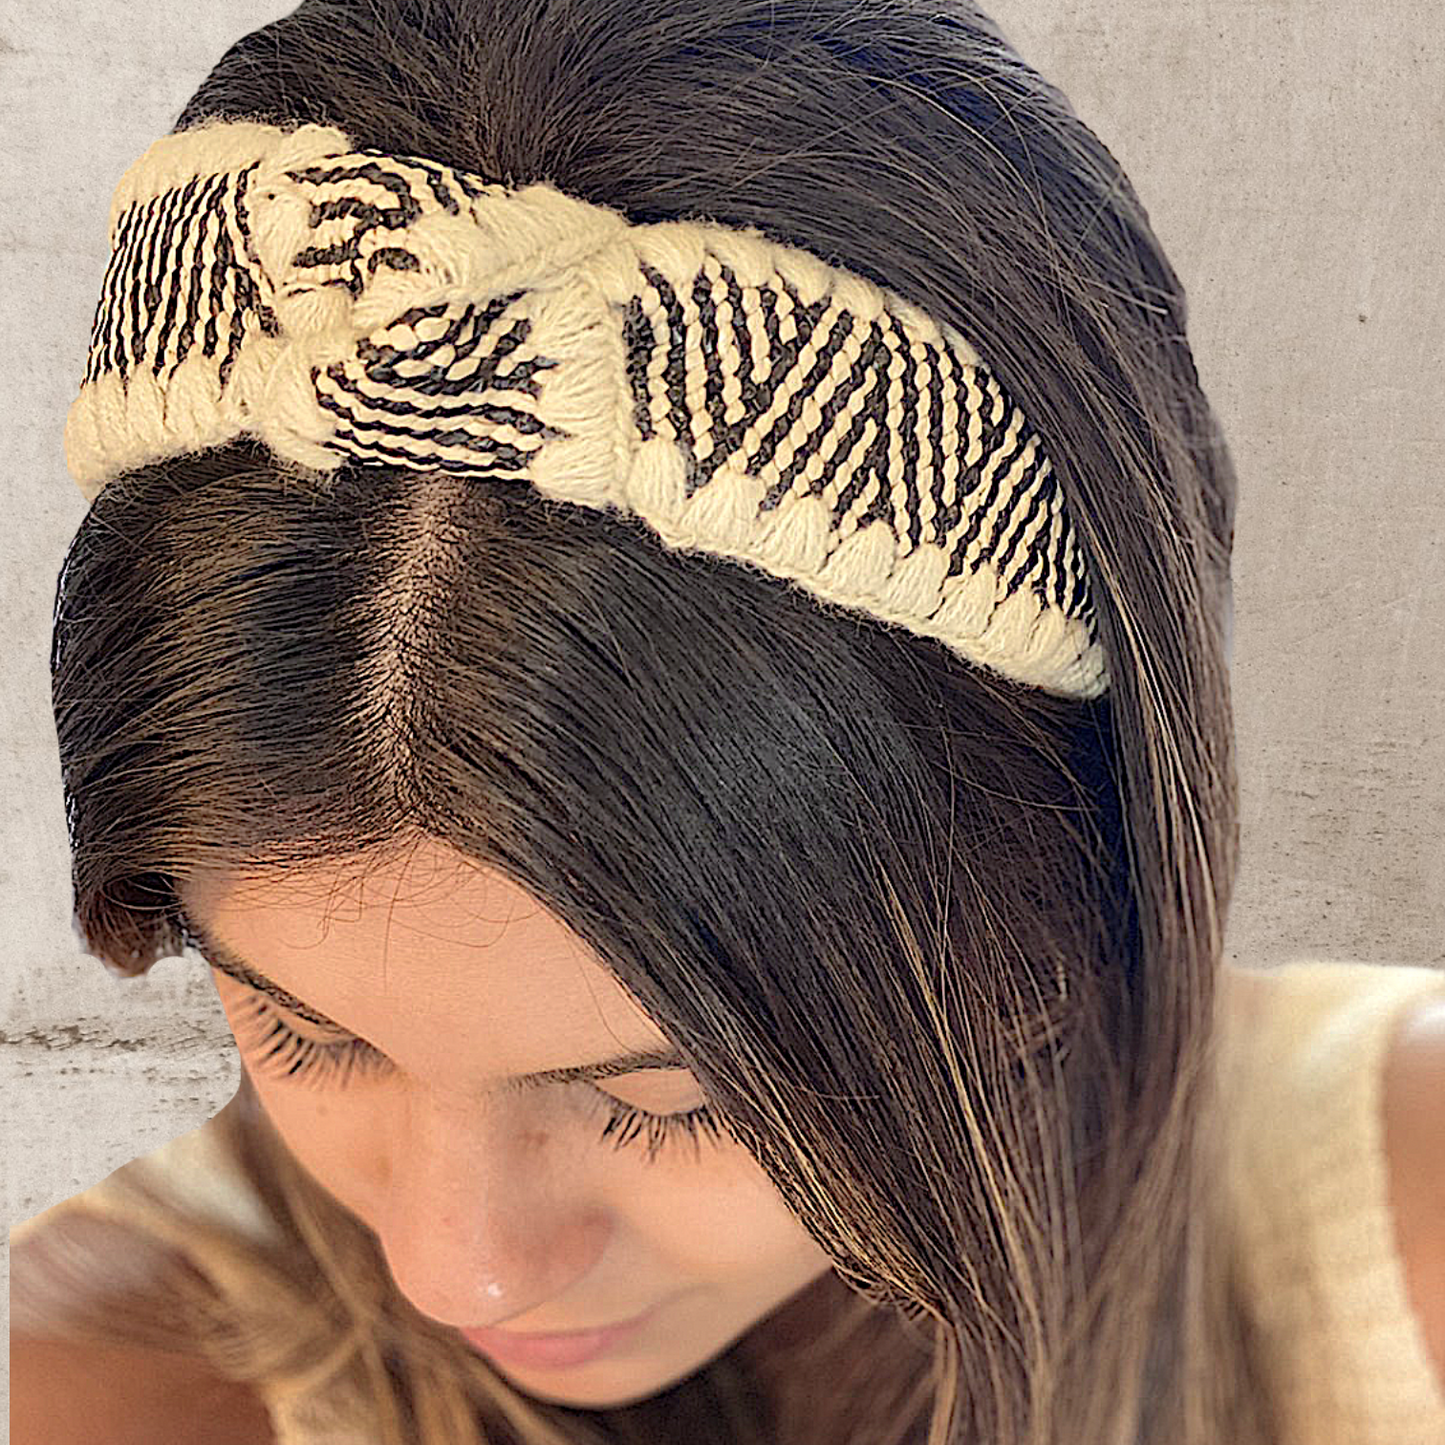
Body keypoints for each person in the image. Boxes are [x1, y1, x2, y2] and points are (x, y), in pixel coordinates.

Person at [8, 2, 1444, 1443]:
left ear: (1057, 894)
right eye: (302, 1031)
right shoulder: (96, 1391)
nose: (458, 1270)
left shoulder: (1405, 1257)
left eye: (677, 1100)